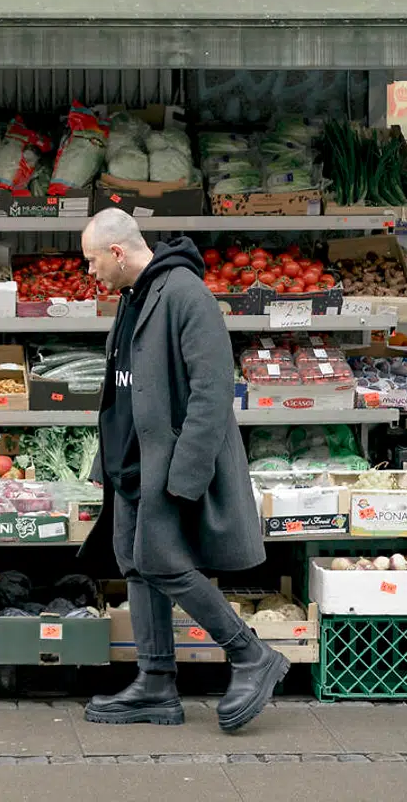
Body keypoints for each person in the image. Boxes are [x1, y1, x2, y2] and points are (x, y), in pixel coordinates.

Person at [77, 209, 283, 731]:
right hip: (130, 464)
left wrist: (184, 476)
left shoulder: (186, 295)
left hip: (165, 466)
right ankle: (155, 683)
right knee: (134, 562)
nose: (90, 271)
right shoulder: (131, 297)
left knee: (163, 562)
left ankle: (250, 654)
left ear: (118, 252)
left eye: (92, 260)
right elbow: (122, 388)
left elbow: (213, 393)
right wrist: (107, 460)